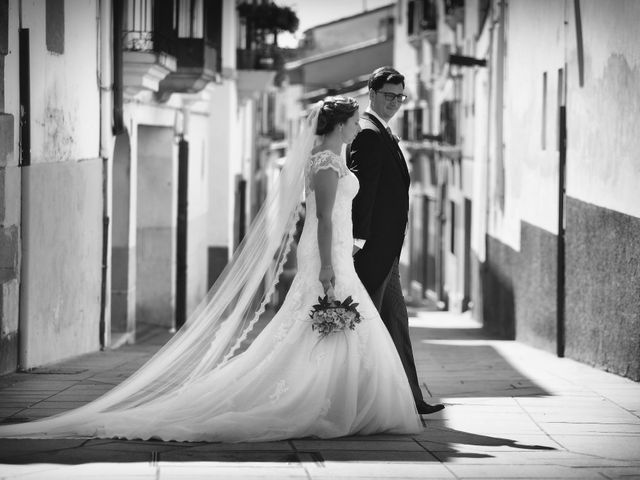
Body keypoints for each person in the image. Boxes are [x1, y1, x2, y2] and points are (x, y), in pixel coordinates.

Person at [0, 96, 423, 442]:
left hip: (338, 252)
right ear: (339, 124)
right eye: (352, 122)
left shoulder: (333, 157)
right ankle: (322, 401)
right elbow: (325, 220)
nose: (356, 128)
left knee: (321, 328)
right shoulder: (327, 164)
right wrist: (330, 266)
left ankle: (338, 399)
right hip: (328, 255)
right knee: (321, 325)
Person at [347, 67, 445, 416]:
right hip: (372, 249)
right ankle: (354, 400)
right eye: (389, 95)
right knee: (363, 327)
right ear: (371, 93)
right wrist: (358, 240)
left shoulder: (383, 133)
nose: (395, 103)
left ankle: (410, 399)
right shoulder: (369, 134)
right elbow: (364, 191)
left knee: (395, 322)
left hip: (388, 249)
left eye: (400, 97)